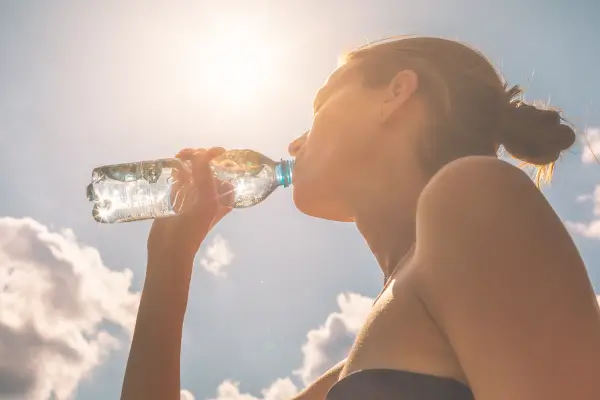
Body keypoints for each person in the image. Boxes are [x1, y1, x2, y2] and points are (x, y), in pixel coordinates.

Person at [120, 36, 600, 400]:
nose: (293, 143)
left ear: (396, 93)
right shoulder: (355, 366)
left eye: (319, 105)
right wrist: (169, 260)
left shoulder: (475, 192)